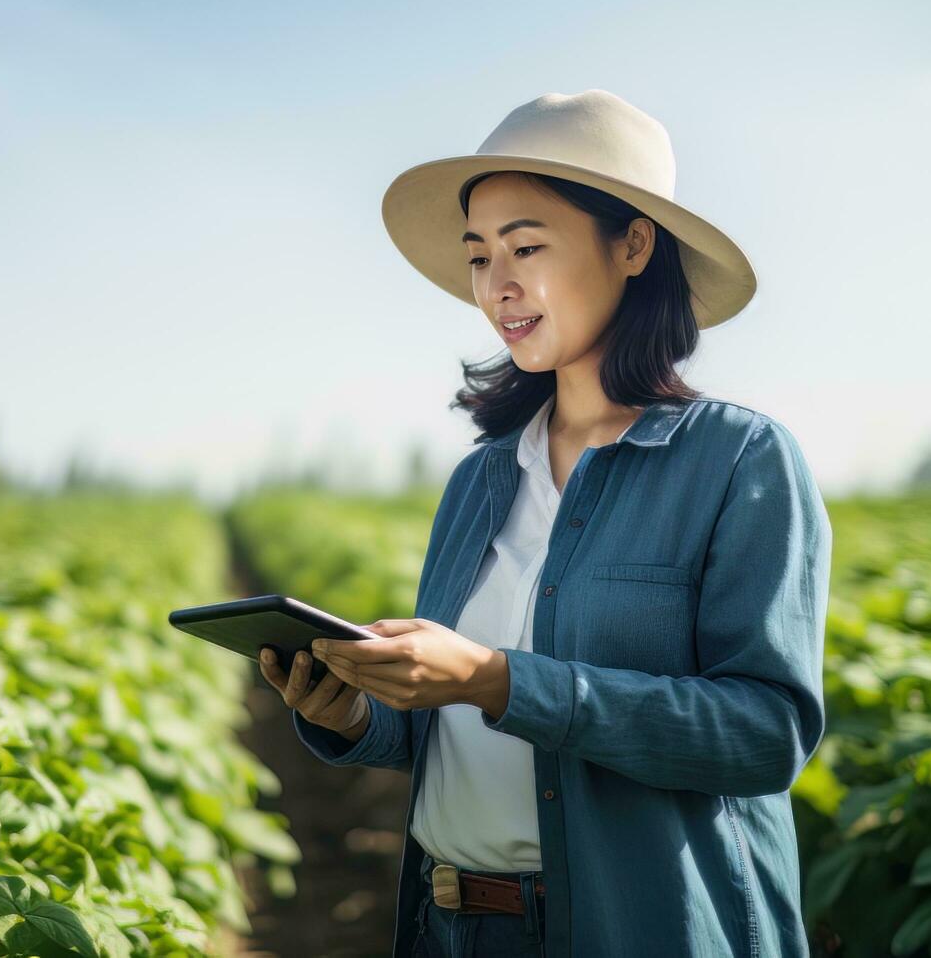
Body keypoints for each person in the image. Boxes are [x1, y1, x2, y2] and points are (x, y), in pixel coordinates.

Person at [259, 89, 831, 958]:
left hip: (639, 930)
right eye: (480, 257)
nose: (498, 286)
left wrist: (498, 679)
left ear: (633, 244)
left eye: (527, 247)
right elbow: (441, 738)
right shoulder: (482, 479)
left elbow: (765, 734)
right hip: (451, 927)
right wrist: (349, 715)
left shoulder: (739, 461)